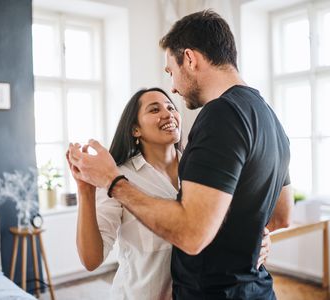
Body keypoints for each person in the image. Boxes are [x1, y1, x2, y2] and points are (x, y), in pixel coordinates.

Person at [68, 9, 293, 299]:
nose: (173, 89)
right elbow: (280, 216)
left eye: (171, 72)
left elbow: (192, 234)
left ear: (190, 58)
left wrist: (113, 182)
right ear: (134, 129)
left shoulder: (220, 115)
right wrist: (248, 239)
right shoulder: (270, 118)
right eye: (154, 108)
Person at [67, 87, 272, 299]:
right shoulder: (116, 178)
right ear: (135, 129)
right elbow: (91, 260)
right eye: (154, 110)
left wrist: (258, 239)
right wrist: (85, 192)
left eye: (171, 107)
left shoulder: (204, 169)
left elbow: (224, 222)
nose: (167, 114)